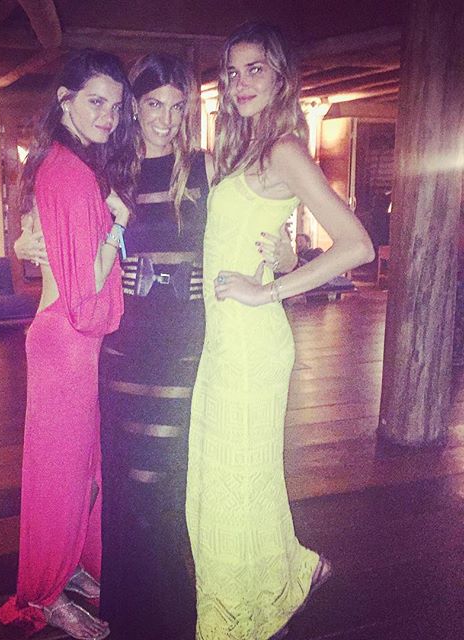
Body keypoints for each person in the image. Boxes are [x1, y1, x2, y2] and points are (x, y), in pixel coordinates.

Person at [98, 53, 297, 640]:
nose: (165, 119)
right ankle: (131, 616)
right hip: (125, 343)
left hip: (186, 344)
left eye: (177, 106)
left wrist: (285, 255)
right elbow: (75, 236)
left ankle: (172, 617)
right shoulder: (112, 168)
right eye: (154, 104)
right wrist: (33, 239)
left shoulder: (209, 168)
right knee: (127, 480)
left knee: (166, 482)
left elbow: (260, 225)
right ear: (135, 107)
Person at [185, 23, 374, 640]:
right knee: (233, 478)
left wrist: (268, 289)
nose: (240, 83)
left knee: (233, 482)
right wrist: (285, 260)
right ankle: (287, 574)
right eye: (232, 72)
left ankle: (241, 617)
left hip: (252, 341)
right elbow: (252, 234)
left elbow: (357, 245)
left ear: (280, 77)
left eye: (255, 69)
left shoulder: (284, 150)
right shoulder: (242, 149)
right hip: (224, 341)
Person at [0, 49, 137, 640]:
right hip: (68, 338)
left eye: (116, 106)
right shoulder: (70, 172)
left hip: (67, 339)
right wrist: (120, 225)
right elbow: (84, 292)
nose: (108, 116)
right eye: (95, 102)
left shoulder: (66, 163)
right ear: (65, 101)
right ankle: (43, 593)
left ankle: (72, 564)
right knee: (59, 471)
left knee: (81, 466)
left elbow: (49, 245)